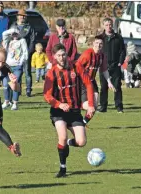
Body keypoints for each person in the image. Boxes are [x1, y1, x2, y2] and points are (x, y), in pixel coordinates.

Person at [43, 44, 95, 178]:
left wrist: (90, 104)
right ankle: (62, 168)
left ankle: (65, 144)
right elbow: (47, 95)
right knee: (63, 135)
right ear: (54, 57)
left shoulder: (76, 67)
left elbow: (88, 83)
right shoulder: (52, 72)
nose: (62, 57)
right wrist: (59, 104)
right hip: (58, 112)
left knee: (81, 142)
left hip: (74, 111)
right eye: (59, 55)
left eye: (63, 54)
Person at [75, 35, 115, 125]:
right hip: (82, 81)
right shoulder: (88, 53)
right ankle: (77, 106)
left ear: (103, 45)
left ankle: (83, 123)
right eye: (96, 43)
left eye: (100, 43)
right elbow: (77, 66)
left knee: (95, 105)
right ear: (93, 43)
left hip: (92, 81)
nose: (98, 45)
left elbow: (104, 70)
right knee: (90, 105)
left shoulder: (102, 56)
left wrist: (109, 82)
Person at [97, 18, 126, 113]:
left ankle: (119, 107)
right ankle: (103, 107)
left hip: (115, 65)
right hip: (103, 65)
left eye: (110, 24)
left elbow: (122, 51)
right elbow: (96, 51)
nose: (108, 26)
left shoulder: (118, 37)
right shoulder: (100, 38)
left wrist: (120, 62)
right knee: (103, 87)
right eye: (106, 25)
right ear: (103, 26)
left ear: (112, 25)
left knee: (117, 86)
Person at [9, 9, 35, 97]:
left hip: (26, 53)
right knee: (17, 73)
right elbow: (9, 39)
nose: (22, 17)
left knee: (27, 72)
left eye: (24, 16)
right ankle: (18, 89)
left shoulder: (29, 27)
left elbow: (32, 40)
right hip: (15, 54)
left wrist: (29, 51)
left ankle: (28, 90)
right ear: (17, 16)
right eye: (20, 15)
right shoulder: (13, 26)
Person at [1, 28, 28, 110]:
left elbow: (25, 52)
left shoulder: (22, 41)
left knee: (15, 84)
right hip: (7, 66)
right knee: (5, 84)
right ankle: (6, 101)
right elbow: (4, 34)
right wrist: (12, 30)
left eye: (16, 33)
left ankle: (15, 103)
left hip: (17, 67)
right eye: (13, 34)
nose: (15, 35)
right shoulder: (8, 41)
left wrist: (21, 62)